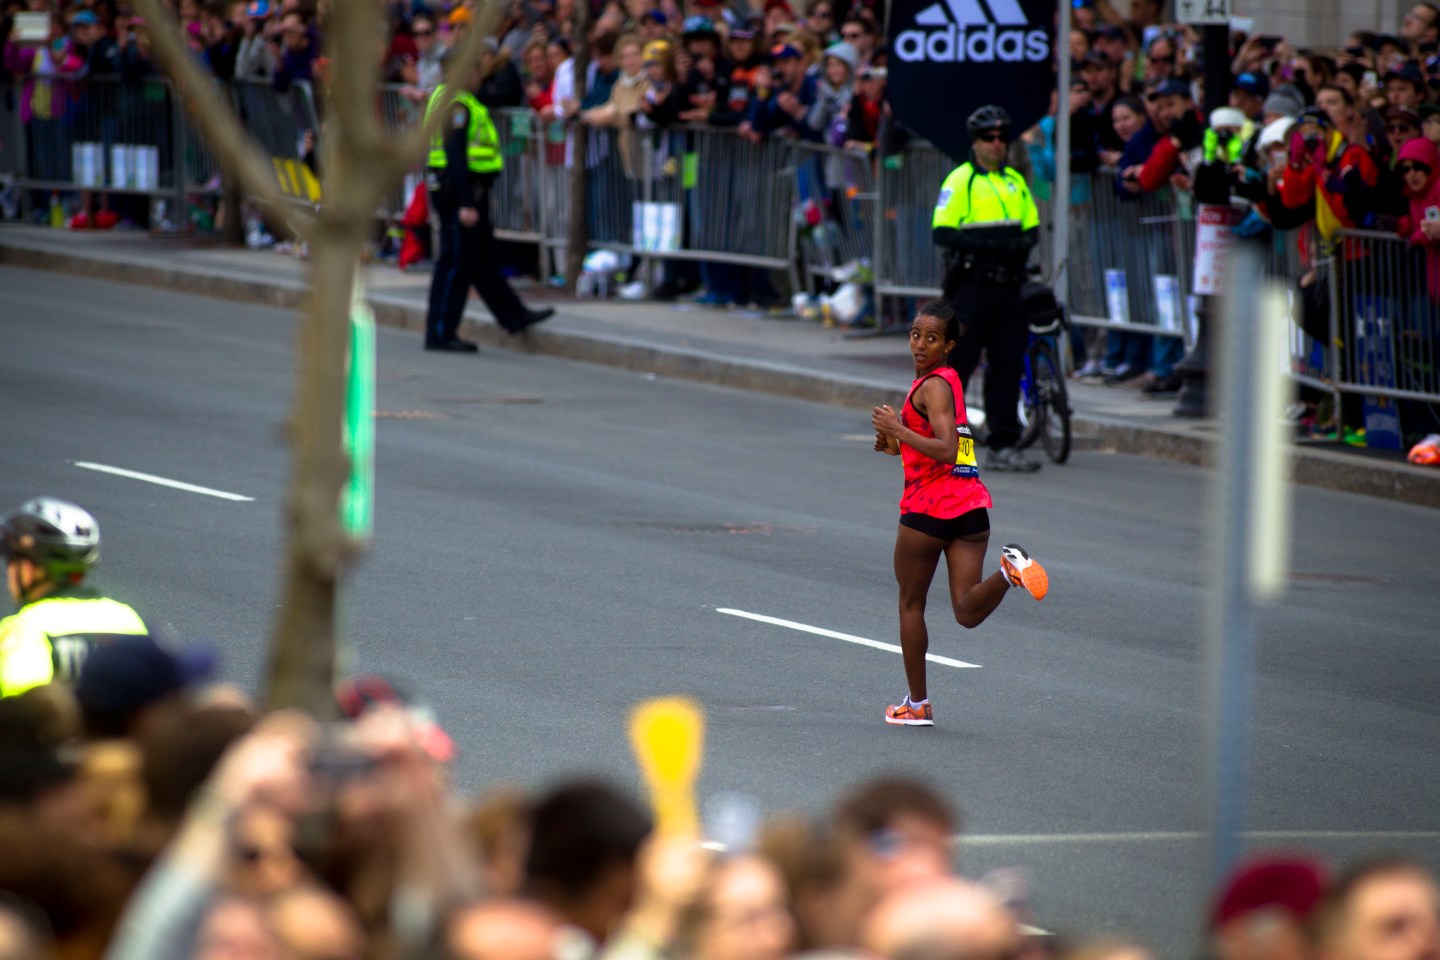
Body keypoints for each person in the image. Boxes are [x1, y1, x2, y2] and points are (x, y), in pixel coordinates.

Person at [869, 301, 1048, 728]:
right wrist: (894, 444)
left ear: (949, 345)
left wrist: (899, 430)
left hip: (929, 510)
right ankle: (1008, 572)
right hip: (970, 510)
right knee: (966, 611)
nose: (920, 344)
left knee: (910, 604)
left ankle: (917, 705)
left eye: (932, 338)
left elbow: (948, 450)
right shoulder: (946, 383)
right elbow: (942, 447)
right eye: (915, 334)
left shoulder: (933, 386)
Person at [931, 105, 1042, 473]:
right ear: (975, 143)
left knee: (1008, 366)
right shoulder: (961, 180)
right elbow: (942, 231)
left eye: (1001, 138)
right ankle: (948, 445)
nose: (997, 144)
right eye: (989, 138)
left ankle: (1004, 442)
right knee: (958, 366)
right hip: (972, 287)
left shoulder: (1015, 181)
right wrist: (992, 247)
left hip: (1009, 289)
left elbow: (1031, 229)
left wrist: (1015, 247)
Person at [423, 64, 553, 352]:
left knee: (480, 261)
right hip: (460, 191)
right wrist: (467, 203)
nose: (478, 75)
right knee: (455, 263)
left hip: (460, 189)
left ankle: (514, 315)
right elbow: (455, 155)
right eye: (474, 68)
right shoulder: (456, 104)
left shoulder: (450, 98)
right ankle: (441, 332)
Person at [0, 497, 146, 698]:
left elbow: (25, 710)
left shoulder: (24, 630)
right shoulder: (128, 619)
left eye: (11, 561)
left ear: (28, 568)